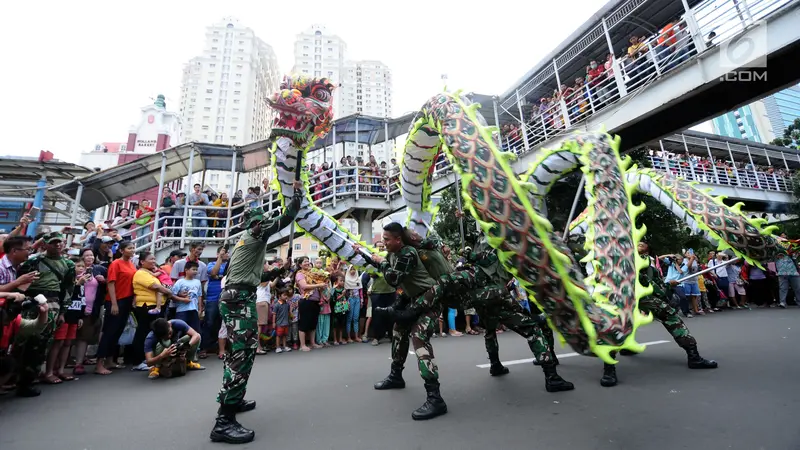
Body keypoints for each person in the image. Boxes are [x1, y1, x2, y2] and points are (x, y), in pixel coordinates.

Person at [209, 180, 301, 445]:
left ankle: (234, 400)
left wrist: (278, 271)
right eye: (261, 222)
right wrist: (296, 194)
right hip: (239, 299)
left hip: (239, 295)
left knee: (245, 351)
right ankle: (223, 421)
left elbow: (253, 274)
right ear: (255, 224)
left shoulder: (245, 243)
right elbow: (286, 218)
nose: (264, 225)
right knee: (241, 354)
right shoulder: (255, 234)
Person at [356, 223, 446, 421]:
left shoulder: (408, 253)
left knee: (419, 338)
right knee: (398, 332)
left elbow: (394, 278)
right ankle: (396, 376)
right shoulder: (393, 254)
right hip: (412, 299)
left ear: (398, 240)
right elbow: (382, 264)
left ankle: (435, 398)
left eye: (387, 239)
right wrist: (363, 253)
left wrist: (382, 262)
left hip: (429, 299)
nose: (384, 242)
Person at [599, 241, 717, 387]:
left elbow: (656, 283)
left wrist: (668, 285)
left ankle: (694, 356)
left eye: (642, 243)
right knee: (615, 327)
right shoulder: (621, 258)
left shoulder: (650, 264)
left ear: (648, 249)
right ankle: (608, 369)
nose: (639, 244)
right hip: (622, 297)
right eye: (637, 243)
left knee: (671, 317)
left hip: (646, 297)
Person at [15, 232, 76, 394]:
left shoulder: (68, 264)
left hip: (53, 303)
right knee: (21, 341)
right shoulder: (35, 260)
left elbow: (68, 290)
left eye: (60, 242)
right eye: (53, 242)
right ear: (45, 244)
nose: (57, 245)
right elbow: (19, 278)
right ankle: (12, 378)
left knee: (42, 343)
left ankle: (29, 381)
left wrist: (63, 312)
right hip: (31, 302)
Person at [131, 251, 187, 372]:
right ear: (142, 262)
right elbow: (156, 286)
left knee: (153, 333)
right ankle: (138, 361)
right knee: (143, 333)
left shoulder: (151, 273)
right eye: (151, 259)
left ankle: (151, 359)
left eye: (154, 259)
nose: (153, 261)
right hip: (146, 307)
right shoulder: (141, 273)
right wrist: (169, 292)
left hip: (156, 307)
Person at [95, 241, 136, 376]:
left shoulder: (131, 264)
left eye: (133, 248)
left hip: (127, 301)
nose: (132, 250)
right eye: (129, 248)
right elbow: (111, 284)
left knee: (118, 331)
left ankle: (109, 360)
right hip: (116, 300)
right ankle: (99, 364)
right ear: (122, 250)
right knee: (109, 332)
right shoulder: (115, 264)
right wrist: (113, 303)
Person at [43, 259, 88, 383]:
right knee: (58, 342)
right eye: (77, 266)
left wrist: (80, 316)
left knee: (68, 343)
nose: (80, 268)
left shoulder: (82, 281)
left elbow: (82, 300)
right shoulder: (65, 281)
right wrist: (78, 284)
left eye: (82, 266)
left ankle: (61, 370)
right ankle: (49, 371)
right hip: (64, 315)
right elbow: (65, 295)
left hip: (75, 315)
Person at [204, 247, 228, 358]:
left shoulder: (229, 265)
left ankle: (221, 348)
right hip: (212, 298)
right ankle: (206, 347)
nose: (226, 254)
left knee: (223, 323)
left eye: (227, 253)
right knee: (210, 323)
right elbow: (214, 273)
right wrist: (219, 258)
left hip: (226, 299)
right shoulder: (211, 264)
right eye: (224, 252)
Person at [172, 261, 203, 336]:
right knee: (180, 331)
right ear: (186, 270)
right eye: (193, 269)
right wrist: (183, 299)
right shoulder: (180, 282)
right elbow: (172, 296)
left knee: (195, 331)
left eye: (196, 269)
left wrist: (200, 309)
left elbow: (199, 296)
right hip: (182, 310)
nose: (195, 271)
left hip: (194, 310)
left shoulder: (197, 282)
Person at [344, 265, 362, 343]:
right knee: (349, 318)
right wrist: (346, 301)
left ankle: (356, 336)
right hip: (350, 299)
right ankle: (348, 337)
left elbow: (360, 290)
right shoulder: (346, 280)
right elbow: (345, 292)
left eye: (354, 269)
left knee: (356, 318)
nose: (353, 271)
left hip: (357, 299)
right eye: (351, 269)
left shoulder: (358, 279)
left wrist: (361, 300)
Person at [329, 272, 348, 345]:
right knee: (335, 325)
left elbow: (346, 298)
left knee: (341, 324)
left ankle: (340, 338)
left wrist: (347, 302)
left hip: (343, 308)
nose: (342, 282)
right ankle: (335, 339)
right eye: (341, 281)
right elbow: (333, 299)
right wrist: (342, 295)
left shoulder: (344, 289)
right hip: (336, 309)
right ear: (336, 282)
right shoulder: (334, 290)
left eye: (343, 281)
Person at [272, 287, 291, 352]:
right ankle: (277, 347)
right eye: (284, 295)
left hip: (286, 323)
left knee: (285, 335)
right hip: (279, 323)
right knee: (278, 335)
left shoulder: (287, 304)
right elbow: (274, 314)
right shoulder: (277, 305)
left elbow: (288, 312)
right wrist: (274, 323)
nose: (286, 296)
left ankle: (285, 346)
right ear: (279, 296)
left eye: (287, 295)